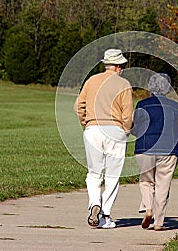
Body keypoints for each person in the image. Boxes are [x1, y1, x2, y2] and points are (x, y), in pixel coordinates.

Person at [76, 49, 134, 229]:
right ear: (118, 67)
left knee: (94, 173)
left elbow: (80, 105)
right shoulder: (124, 84)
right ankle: (106, 214)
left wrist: (86, 123)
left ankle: (94, 203)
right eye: (122, 65)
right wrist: (125, 130)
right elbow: (127, 113)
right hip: (115, 130)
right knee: (112, 175)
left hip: (93, 129)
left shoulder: (91, 81)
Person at [131, 73, 178, 231]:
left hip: (145, 148)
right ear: (168, 88)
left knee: (145, 181)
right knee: (163, 185)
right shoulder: (175, 106)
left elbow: (134, 128)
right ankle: (159, 222)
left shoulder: (142, 104)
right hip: (170, 150)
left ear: (150, 87)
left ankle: (148, 207)